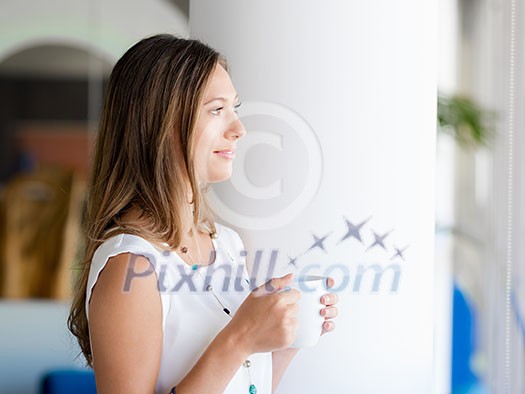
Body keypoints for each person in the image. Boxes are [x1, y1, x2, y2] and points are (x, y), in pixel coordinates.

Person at [68, 34, 339, 394]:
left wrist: (286, 336)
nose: (239, 129)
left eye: (235, 109)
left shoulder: (225, 244)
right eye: (216, 110)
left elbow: (244, 385)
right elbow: (232, 351)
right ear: (160, 124)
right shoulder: (129, 265)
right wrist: (241, 336)